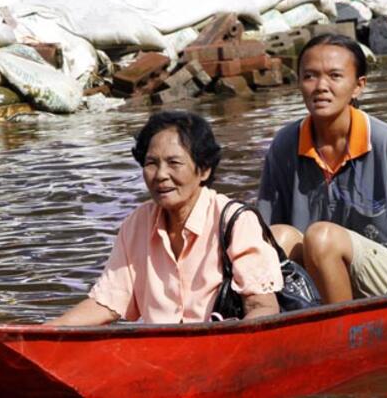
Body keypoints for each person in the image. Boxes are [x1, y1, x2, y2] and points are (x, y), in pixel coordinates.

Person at [257, 33, 387, 304]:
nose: (321, 86)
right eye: (310, 76)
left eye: (335, 76)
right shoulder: (285, 144)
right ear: (299, 82)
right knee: (277, 238)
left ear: (358, 86)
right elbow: (262, 232)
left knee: (322, 237)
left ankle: (341, 329)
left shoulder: (382, 140)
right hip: (319, 274)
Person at [46, 111, 283, 325]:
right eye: (151, 163)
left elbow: (262, 307)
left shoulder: (235, 221)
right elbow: (107, 302)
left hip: (220, 349)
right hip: (162, 354)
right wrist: (44, 332)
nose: (160, 175)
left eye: (174, 163)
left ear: (204, 170)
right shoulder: (136, 224)